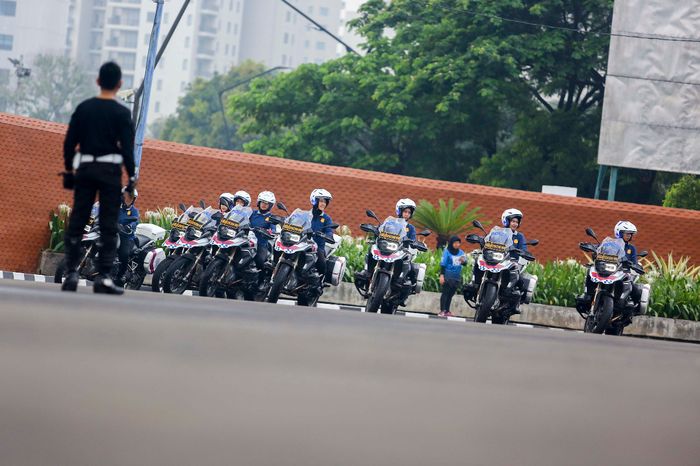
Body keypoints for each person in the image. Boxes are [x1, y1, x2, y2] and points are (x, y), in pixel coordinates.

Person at [61, 61, 136, 294]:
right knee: (108, 224)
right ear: (119, 84)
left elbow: (69, 143)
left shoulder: (84, 109)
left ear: (98, 81)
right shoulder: (122, 113)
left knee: (78, 220)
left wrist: (70, 170)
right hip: (110, 174)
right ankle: (103, 277)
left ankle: (71, 272)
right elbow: (127, 150)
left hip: (85, 170)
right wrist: (132, 179)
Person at [576, 220, 642, 315]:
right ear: (619, 233)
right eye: (627, 233)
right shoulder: (609, 243)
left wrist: (634, 265)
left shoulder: (631, 248)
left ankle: (632, 305)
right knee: (590, 271)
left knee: (632, 286)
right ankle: (587, 294)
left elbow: (634, 262)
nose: (629, 236)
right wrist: (589, 246)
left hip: (622, 271)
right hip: (608, 268)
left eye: (631, 234)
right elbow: (599, 248)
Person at [464, 208, 527, 303]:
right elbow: (488, 239)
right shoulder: (497, 232)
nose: (515, 224)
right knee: (478, 261)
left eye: (517, 222)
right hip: (495, 258)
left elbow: (523, 248)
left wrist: (523, 251)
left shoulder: (519, 236)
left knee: (519, 277)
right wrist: (481, 239)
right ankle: (475, 283)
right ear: (506, 220)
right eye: (513, 221)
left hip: (510, 261)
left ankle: (510, 292)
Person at [356, 198, 418, 289]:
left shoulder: (411, 228)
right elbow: (380, 229)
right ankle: (367, 271)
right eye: (405, 211)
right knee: (372, 249)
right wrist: (374, 229)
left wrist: (413, 242)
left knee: (408, 262)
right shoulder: (389, 222)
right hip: (386, 247)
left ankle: (401, 279)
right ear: (399, 211)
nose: (407, 214)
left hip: (400, 250)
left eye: (409, 212)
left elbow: (413, 239)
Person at [114, 188, 139, 287]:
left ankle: (120, 275)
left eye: (130, 198)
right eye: (126, 197)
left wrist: (129, 226)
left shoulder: (134, 211)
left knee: (124, 253)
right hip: (113, 233)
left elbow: (135, 221)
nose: (127, 199)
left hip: (126, 236)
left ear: (133, 199)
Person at [439, 235, 467, 317]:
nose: (457, 244)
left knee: (451, 294)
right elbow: (443, 264)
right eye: (455, 243)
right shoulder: (447, 252)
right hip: (447, 275)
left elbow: (465, 263)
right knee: (445, 293)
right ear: (451, 243)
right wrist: (442, 276)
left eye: (458, 243)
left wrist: (463, 261)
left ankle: (447, 311)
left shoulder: (461, 252)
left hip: (456, 276)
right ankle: (442, 311)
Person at [310, 188, 333, 280]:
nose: (323, 204)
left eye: (325, 202)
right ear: (314, 201)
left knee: (322, 263)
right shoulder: (306, 215)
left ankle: (319, 281)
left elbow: (329, 230)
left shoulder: (326, 218)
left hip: (318, 246)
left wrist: (328, 235)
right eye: (321, 201)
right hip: (303, 243)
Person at [250, 190, 276, 273]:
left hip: (260, 243)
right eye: (263, 202)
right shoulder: (252, 213)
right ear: (259, 202)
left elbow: (273, 230)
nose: (264, 205)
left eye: (267, 203)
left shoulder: (271, 217)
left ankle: (261, 282)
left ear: (270, 205)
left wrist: (269, 231)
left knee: (260, 260)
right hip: (246, 241)